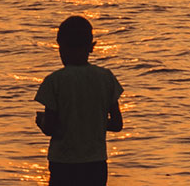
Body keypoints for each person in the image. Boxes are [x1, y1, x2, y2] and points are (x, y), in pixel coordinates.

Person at [34, 16, 124, 186]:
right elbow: (117, 124)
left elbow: (50, 128)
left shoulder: (55, 81)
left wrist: (41, 122)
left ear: (61, 46)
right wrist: (92, 122)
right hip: (95, 164)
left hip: (63, 163)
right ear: (91, 47)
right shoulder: (106, 78)